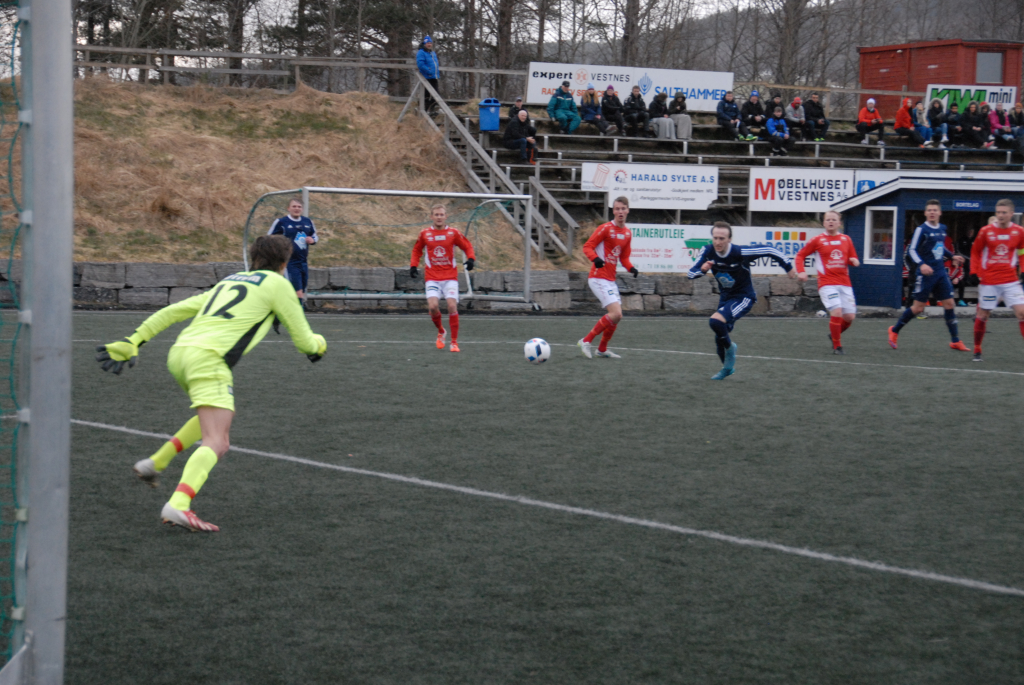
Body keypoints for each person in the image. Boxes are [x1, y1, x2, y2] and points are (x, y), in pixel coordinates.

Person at [100, 235, 327, 532]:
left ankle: (155, 463)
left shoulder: (230, 281)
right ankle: (178, 504)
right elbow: (306, 343)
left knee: (209, 418)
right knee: (218, 441)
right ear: (284, 263)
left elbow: (173, 311)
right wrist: (320, 344)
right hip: (209, 361)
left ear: (254, 258)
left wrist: (134, 340)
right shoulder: (278, 285)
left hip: (180, 355)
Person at [688, 222, 795, 379]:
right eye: (715, 238)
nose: (718, 242)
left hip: (744, 297)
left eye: (722, 238)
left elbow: (770, 250)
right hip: (726, 298)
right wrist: (702, 270)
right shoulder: (708, 251)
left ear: (729, 239)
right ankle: (727, 368)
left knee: (715, 322)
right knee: (719, 337)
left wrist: (788, 267)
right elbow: (691, 273)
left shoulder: (740, 252)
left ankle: (731, 349)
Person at [888, 199, 968, 351]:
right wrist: (922, 264)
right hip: (925, 275)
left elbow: (940, 247)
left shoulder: (942, 228)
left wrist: (952, 256)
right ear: (925, 213)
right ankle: (894, 330)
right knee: (918, 308)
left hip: (940, 273)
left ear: (940, 213)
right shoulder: (921, 229)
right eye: (929, 210)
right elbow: (911, 250)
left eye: (935, 210)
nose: (932, 212)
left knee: (949, 304)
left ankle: (955, 340)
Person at [578, 196, 638, 360]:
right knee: (615, 313)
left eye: (623, 208)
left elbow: (623, 257)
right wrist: (595, 259)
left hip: (610, 280)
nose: (620, 212)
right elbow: (587, 246)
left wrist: (631, 268)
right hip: (598, 277)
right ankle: (586, 341)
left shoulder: (627, 233)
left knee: (617, 317)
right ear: (613, 211)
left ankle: (602, 349)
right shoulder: (605, 228)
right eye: (617, 209)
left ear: (628, 210)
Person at [410, 204, 475, 353]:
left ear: (446, 217)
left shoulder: (453, 233)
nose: (439, 217)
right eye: (436, 215)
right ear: (431, 217)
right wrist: (413, 266)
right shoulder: (425, 234)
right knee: (433, 307)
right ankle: (441, 331)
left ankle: (454, 342)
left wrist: (471, 259)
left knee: (452, 306)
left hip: (450, 277)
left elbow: (467, 246)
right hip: (432, 277)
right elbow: (417, 250)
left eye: (441, 215)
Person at [795, 210, 861, 354]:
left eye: (833, 219)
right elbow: (800, 255)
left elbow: (852, 257)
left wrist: (854, 261)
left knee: (849, 316)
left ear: (839, 223)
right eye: (828, 220)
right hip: (827, 283)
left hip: (845, 283)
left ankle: (834, 334)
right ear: (824, 223)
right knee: (836, 311)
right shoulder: (818, 240)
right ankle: (837, 346)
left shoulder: (846, 239)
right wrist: (801, 271)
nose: (831, 222)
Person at [970, 199, 1024, 361]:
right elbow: (975, 251)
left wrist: (1023, 269)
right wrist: (974, 272)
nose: (1000, 215)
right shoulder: (986, 231)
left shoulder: (1019, 232)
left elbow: (1022, 251)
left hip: (1010, 280)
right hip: (989, 281)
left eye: (1004, 212)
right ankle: (977, 348)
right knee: (983, 315)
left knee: (1022, 313)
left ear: (1011, 214)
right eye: (998, 212)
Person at [268, 197, 318, 307]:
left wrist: (312, 240)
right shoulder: (281, 222)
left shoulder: (308, 222)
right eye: (294, 206)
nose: (296, 209)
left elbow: (315, 236)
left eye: (299, 207)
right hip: (289, 263)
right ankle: (298, 314)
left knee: (300, 291)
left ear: (302, 209)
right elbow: (268, 239)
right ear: (288, 208)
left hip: (303, 262)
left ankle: (280, 311)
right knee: (297, 292)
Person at [416, 36, 440, 114]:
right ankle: (423, 110)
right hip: (426, 77)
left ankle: (431, 109)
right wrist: (428, 71)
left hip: (434, 76)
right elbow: (420, 64)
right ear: (425, 44)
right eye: (428, 43)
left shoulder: (432, 53)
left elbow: (435, 64)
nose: (429, 44)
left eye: (430, 43)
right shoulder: (421, 52)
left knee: (436, 94)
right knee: (425, 95)